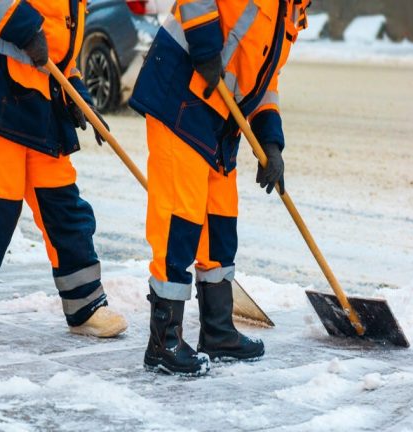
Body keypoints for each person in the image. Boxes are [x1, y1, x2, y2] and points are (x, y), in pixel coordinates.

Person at [129, 0, 310, 375]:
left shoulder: (292, 12)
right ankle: (164, 340)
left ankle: (217, 330)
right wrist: (206, 46)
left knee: (220, 223)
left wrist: (271, 143)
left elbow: (264, 81)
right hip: (181, 92)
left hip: (219, 117)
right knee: (180, 218)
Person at [0, 0, 127, 342]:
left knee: (63, 204)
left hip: (37, 103)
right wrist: (23, 25)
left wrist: (77, 92)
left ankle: (85, 305)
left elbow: (58, 49)